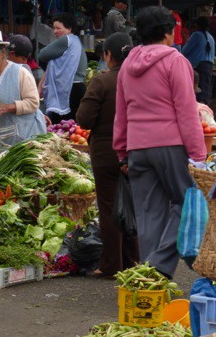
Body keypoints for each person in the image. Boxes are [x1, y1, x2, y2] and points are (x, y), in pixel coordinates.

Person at [113, 6, 206, 279]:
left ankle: (150, 276)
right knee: (187, 203)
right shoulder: (175, 60)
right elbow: (186, 111)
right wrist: (198, 154)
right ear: (168, 32)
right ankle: (159, 265)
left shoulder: (127, 65)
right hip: (170, 145)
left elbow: (121, 112)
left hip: (137, 147)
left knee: (149, 213)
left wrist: (122, 152)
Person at [77, 33, 139, 277]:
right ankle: (134, 261)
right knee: (133, 206)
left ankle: (111, 264)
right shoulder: (141, 80)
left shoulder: (102, 81)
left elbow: (84, 119)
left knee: (109, 208)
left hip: (106, 152)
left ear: (108, 55)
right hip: (137, 149)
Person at [0, 30, 46, 152]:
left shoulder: (20, 73)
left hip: (24, 140)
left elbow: (33, 102)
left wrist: (10, 107)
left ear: (3, 53)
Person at [38, 13, 87, 124]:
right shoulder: (75, 41)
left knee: (61, 126)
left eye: (58, 28)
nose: (55, 31)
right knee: (73, 127)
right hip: (78, 88)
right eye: (53, 28)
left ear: (69, 29)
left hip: (70, 89)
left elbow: (42, 54)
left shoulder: (66, 40)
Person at [182, 16, 215, 104]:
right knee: (205, 91)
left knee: (197, 93)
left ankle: (198, 110)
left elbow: (185, 51)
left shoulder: (196, 35)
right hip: (209, 66)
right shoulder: (211, 37)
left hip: (197, 67)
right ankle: (204, 109)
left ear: (196, 25)